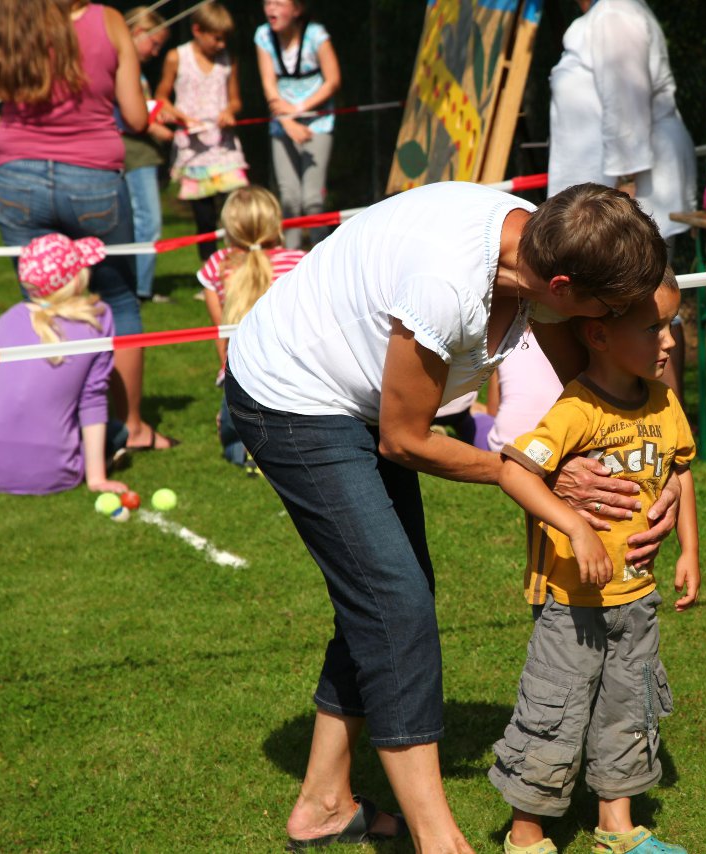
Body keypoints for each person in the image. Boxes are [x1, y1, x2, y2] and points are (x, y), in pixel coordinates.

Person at [224, 181, 681, 853]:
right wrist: (527, 474)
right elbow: (404, 439)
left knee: (388, 599)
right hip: (291, 396)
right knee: (393, 602)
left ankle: (324, 803)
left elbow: (585, 380)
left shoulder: (544, 245)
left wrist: (654, 474)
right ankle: (441, 843)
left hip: (360, 400)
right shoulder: (448, 281)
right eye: (605, 310)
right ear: (560, 285)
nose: (605, 326)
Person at [490, 269, 699, 854]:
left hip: (638, 598)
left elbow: (681, 471)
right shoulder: (575, 410)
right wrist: (575, 526)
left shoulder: (664, 404)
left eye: (671, 326)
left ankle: (616, 827)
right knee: (554, 711)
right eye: (653, 328)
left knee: (628, 709)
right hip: (570, 605)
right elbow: (514, 470)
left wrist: (690, 551)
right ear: (599, 336)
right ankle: (527, 835)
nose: (669, 342)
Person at [0, 0, 178, 452]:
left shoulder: (1, 19)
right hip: (92, 177)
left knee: (39, 302)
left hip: (16, 177)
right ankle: (131, 427)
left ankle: (47, 426)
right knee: (121, 301)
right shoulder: (106, 20)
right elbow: (134, 117)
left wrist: (17, 126)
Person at [547, 0, 697, 402]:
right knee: (629, 312)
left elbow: (628, 107)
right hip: (609, 194)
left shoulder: (614, 13)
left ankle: (666, 432)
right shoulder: (606, 14)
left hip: (628, 192)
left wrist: (623, 199)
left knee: (648, 310)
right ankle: (620, 424)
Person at [0, 235, 130, 496]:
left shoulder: (9, 318)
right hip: (53, 473)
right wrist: (96, 479)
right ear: (76, 278)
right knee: (118, 431)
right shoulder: (98, 319)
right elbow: (92, 398)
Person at [197, 186, 306, 469]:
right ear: (275, 222)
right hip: (291, 372)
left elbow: (220, 332)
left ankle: (243, 451)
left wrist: (225, 374)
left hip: (240, 373)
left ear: (229, 228)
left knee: (235, 434)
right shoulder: (299, 261)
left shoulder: (216, 266)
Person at [154, 0, 247, 264]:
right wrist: (180, 116)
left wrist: (230, 111)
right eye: (216, 38)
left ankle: (238, 267)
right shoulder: (177, 57)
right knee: (204, 218)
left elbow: (235, 99)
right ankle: (209, 273)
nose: (221, 45)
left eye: (224, 39)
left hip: (223, 148)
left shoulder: (227, 60)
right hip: (194, 150)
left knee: (235, 211)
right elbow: (162, 97)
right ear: (197, 30)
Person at [254, 0, 341, 250]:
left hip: (318, 123)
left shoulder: (316, 35)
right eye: (268, 3)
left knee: (312, 198)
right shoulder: (263, 35)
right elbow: (269, 85)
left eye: (279, 3)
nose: (271, 9)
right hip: (282, 123)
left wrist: (299, 110)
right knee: (289, 198)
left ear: (297, 9)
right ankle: (288, 262)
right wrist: (287, 121)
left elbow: (333, 80)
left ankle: (322, 258)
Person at [122, 6, 172, 303]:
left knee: (137, 221)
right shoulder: (124, 65)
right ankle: (140, 290)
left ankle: (136, 287)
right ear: (138, 33)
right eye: (153, 44)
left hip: (138, 151)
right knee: (148, 221)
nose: (155, 52)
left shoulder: (131, 68)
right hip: (135, 154)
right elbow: (127, 114)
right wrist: (154, 129)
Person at [482, 330, 564, 452]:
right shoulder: (563, 341)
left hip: (505, 447)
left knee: (477, 416)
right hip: (557, 445)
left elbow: (492, 411)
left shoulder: (504, 343)